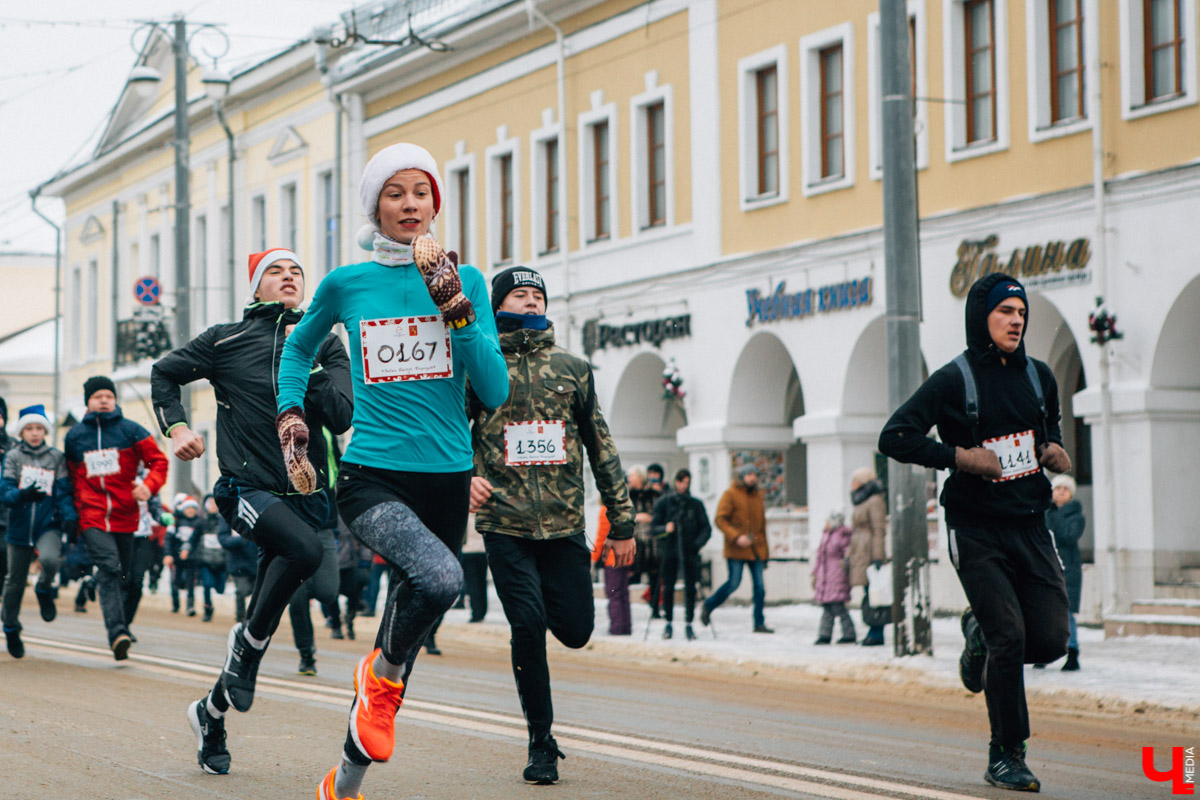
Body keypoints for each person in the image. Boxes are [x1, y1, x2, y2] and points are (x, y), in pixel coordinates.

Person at [274, 143, 508, 800]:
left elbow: (492, 390)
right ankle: (379, 679)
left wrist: (457, 312)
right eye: (395, 192)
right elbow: (298, 348)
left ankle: (342, 785)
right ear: (375, 205)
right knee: (439, 579)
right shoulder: (347, 283)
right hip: (372, 472)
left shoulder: (470, 281)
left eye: (421, 192)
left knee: (412, 617)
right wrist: (292, 413)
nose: (410, 204)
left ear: (436, 203)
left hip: (446, 476)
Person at [151, 245, 353, 775]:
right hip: (245, 487)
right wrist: (176, 427)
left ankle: (210, 713)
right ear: (257, 287)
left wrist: (306, 365)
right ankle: (246, 646)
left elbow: (340, 414)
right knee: (305, 553)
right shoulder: (226, 339)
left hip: (307, 495)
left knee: (278, 605)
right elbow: (163, 374)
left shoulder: (327, 343)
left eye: (296, 272)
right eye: (275, 272)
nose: (287, 278)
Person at [878, 273, 1071, 793]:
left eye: (1021, 313)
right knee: (1010, 634)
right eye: (1006, 311)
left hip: (1030, 525)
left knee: (1051, 639)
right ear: (982, 317)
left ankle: (978, 635)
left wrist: (1052, 448)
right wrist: (957, 457)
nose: (1016, 321)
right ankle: (1006, 754)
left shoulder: (1040, 376)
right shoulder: (952, 380)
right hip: (977, 528)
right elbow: (895, 436)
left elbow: (1046, 428)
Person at [467, 263, 635, 785]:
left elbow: (600, 445)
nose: (532, 303)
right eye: (519, 295)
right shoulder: (480, 365)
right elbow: (449, 430)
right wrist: (464, 478)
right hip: (504, 524)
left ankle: (542, 727)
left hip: (564, 524)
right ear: (499, 306)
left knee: (577, 630)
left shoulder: (573, 368)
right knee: (526, 625)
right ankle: (541, 740)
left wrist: (622, 522)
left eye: (537, 296)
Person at [65, 376, 169, 660]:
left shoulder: (131, 430)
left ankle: (121, 625)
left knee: (126, 577)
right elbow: (72, 478)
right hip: (92, 515)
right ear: (88, 401)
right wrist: (74, 513)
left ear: (114, 399)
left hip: (126, 515)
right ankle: (118, 633)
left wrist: (149, 486)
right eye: (97, 395)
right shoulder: (75, 436)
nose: (103, 400)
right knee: (109, 569)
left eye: (108, 395)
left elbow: (159, 461)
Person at [1, 405, 77, 657]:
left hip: (47, 524)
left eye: (39, 428)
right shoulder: (13, 456)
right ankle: (10, 626)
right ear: (22, 431)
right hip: (19, 527)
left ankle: (44, 589)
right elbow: (5, 491)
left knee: (50, 559)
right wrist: (21, 494)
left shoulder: (56, 457)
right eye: (29, 429)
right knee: (14, 583)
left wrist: (69, 517)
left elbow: (64, 490)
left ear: (45, 430)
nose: (34, 433)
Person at [700, 464, 772, 633]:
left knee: (760, 587)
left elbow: (761, 527)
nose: (753, 478)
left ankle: (759, 622)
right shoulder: (730, 494)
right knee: (733, 583)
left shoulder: (757, 496)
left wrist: (765, 553)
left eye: (755, 474)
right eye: (749, 475)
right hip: (736, 549)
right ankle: (709, 606)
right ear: (741, 477)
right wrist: (736, 536)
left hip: (756, 549)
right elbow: (720, 519)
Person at [650, 468, 711, 640]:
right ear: (676, 482)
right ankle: (668, 622)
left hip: (689, 551)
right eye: (682, 482)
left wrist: (696, 545)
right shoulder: (664, 503)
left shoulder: (695, 504)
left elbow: (706, 528)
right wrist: (665, 529)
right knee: (668, 587)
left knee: (690, 588)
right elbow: (654, 528)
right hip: (669, 550)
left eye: (687, 483)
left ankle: (689, 623)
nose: (684, 486)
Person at [1045, 475, 1084, 672]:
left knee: (1066, 614)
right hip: (1046, 568)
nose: (1060, 492)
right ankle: (1042, 652)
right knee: (1043, 612)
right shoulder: (1046, 513)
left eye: (1065, 489)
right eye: (1057, 488)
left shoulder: (1076, 516)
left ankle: (1073, 652)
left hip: (1068, 570)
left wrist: (1053, 518)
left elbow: (1068, 535)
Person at [847, 467, 888, 646]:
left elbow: (879, 529)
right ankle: (873, 630)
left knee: (874, 593)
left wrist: (878, 556)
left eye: (855, 480)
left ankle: (876, 632)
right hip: (860, 550)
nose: (852, 484)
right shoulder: (862, 500)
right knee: (867, 591)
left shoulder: (874, 501)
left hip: (870, 552)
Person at [124, 479, 169, 627]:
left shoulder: (148, 476)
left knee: (137, 582)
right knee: (122, 579)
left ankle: (125, 624)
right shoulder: (120, 470)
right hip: (120, 533)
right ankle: (117, 624)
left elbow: (155, 502)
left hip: (142, 535)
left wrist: (161, 515)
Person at [811, 511, 855, 645]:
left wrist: (845, 567)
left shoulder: (842, 535)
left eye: (829, 521)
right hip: (825, 577)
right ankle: (825, 635)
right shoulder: (825, 536)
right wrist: (815, 574)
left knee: (838, 608)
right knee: (827, 608)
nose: (826, 524)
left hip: (837, 576)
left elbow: (848, 555)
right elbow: (819, 558)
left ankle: (849, 634)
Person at [626, 466, 662, 617]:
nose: (629, 478)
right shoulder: (628, 495)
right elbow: (624, 514)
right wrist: (638, 517)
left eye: (632, 476)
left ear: (640, 477)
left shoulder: (653, 494)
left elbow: (658, 515)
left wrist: (648, 518)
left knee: (654, 575)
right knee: (631, 574)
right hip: (634, 540)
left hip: (651, 541)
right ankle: (624, 611)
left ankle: (655, 609)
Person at [591, 502, 631, 635]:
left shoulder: (605, 510)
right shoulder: (624, 509)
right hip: (626, 556)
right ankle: (625, 626)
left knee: (613, 593)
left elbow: (601, 536)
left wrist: (594, 557)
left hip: (613, 558)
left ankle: (617, 626)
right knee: (623, 593)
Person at [190, 495, 229, 623]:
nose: (213, 506)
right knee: (207, 584)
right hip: (204, 561)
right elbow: (193, 538)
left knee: (220, 588)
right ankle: (208, 608)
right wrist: (186, 549)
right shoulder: (201, 522)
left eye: (215, 503)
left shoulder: (225, 521)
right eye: (210, 503)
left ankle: (213, 599)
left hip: (221, 561)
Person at [218, 509, 257, 623]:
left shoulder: (256, 510)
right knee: (242, 590)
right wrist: (242, 540)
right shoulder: (228, 514)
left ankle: (254, 619)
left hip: (257, 560)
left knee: (258, 594)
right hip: (238, 562)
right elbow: (224, 539)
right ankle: (241, 618)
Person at [171, 495, 202, 617]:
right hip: (177, 556)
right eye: (188, 508)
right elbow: (170, 539)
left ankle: (190, 605)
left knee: (190, 582)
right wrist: (169, 554)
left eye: (193, 509)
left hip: (192, 557)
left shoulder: (198, 523)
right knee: (176, 581)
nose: (191, 511)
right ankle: (175, 603)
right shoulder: (177, 522)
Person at [459, 514, 488, 623]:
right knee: (482, 582)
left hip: (469, 550)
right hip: (483, 549)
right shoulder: (482, 511)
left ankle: (476, 613)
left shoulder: (466, 510)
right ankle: (482, 611)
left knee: (472, 584)